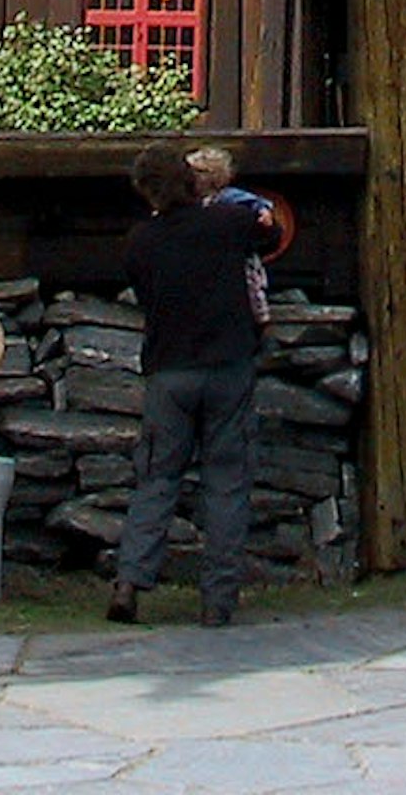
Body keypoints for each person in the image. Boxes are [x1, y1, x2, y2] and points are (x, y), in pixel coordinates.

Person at [113, 136, 282, 627]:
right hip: (229, 365)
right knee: (227, 482)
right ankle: (218, 600)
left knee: (157, 478)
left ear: (147, 192)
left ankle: (130, 581)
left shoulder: (140, 242)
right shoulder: (227, 223)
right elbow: (269, 235)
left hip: (169, 370)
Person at [188, 142, 277, 326]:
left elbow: (256, 202)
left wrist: (264, 212)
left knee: (249, 286)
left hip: (239, 261)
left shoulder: (229, 197)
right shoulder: (192, 201)